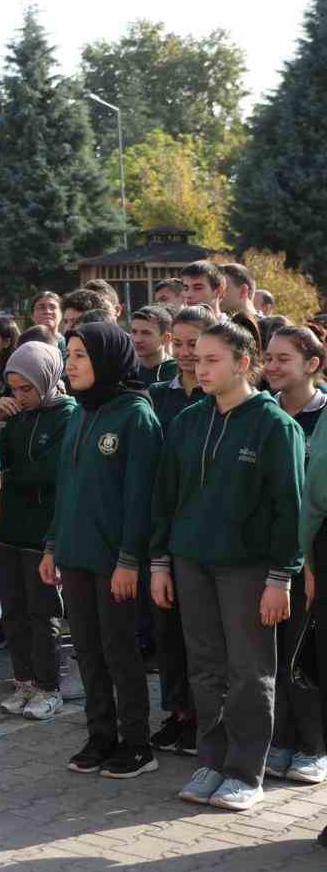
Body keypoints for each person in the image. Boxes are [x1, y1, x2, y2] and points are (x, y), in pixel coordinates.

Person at [153, 321, 304, 811]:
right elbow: (165, 500)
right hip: (191, 562)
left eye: (212, 359)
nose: (200, 367)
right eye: (196, 358)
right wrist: (160, 562)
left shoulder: (274, 425)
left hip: (248, 569)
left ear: (243, 363)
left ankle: (245, 772)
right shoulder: (188, 422)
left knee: (250, 670)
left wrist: (281, 577)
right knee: (205, 669)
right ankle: (212, 761)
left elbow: (291, 509)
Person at [42, 322, 162, 777]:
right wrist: (52, 544)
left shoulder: (136, 416)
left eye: (79, 356)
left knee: (119, 651)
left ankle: (137, 743)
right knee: (87, 651)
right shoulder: (80, 412)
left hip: (115, 562)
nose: (69, 365)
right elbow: (66, 488)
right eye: (68, 355)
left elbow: (141, 500)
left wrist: (130, 560)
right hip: (75, 556)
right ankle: (100, 735)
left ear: (107, 361)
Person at [0, 340, 77, 722]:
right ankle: (23, 680)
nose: (20, 397)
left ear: (48, 379)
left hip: (43, 536)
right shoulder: (14, 416)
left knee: (45, 615)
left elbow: (51, 473)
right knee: (15, 614)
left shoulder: (69, 415)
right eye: (14, 389)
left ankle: (49, 686)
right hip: (7, 532)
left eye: (28, 389)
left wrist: (9, 477)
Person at [145, 304, 216, 755]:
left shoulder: (216, 397)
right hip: (163, 520)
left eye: (198, 345)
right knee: (167, 628)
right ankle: (177, 712)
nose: (189, 354)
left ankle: (205, 717)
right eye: (183, 343)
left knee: (202, 636)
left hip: (204, 527)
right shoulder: (157, 395)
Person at [264, 325, 327, 785]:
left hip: (312, 557)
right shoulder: (263, 414)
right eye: (268, 357)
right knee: (275, 652)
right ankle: (282, 738)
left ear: (312, 364)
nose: (272, 366)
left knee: (309, 652)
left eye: (283, 358)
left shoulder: (322, 417)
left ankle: (314, 745)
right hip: (268, 556)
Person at [130, 306, 177, 386]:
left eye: (146, 333)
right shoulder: (125, 370)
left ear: (166, 338)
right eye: (134, 332)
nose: (137, 340)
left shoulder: (177, 371)